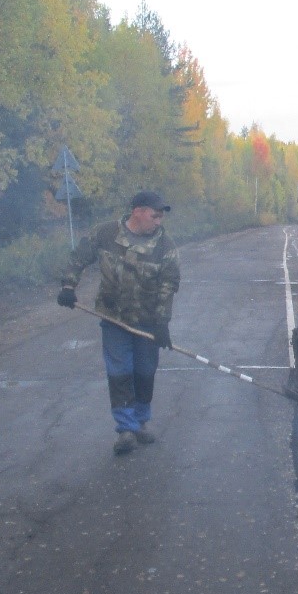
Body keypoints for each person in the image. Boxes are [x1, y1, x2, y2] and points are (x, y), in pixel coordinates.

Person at [58, 190, 181, 455]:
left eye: (161, 217)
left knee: (145, 372)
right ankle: (126, 429)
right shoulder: (105, 234)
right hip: (113, 317)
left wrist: (163, 324)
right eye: (155, 215)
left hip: (147, 322)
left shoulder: (165, 246)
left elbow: (168, 285)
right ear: (138, 211)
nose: (159, 221)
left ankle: (140, 422)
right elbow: (79, 256)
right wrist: (68, 285)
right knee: (120, 371)